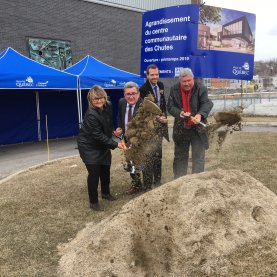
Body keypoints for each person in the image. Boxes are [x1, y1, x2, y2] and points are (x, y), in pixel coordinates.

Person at [77, 85, 124, 211]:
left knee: (105, 169)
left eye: (101, 98)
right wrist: (116, 144)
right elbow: (97, 135)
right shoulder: (91, 115)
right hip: (89, 146)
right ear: (90, 101)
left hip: (102, 144)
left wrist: (112, 131)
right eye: (95, 99)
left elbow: (108, 122)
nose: (99, 101)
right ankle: (93, 202)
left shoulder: (107, 106)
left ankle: (105, 193)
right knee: (94, 173)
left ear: (104, 97)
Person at [167, 67, 213, 178]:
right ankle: (179, 182)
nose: (187, 84)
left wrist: (200, 115)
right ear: (180, 81)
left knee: (198, 158)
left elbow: (207, 103)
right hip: (181, 129)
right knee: (180, 158)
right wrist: (180, 113)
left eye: (189, 81)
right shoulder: (174, 89)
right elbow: (170, 106)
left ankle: (196, 183)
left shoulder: (201, 88)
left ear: (193, 79)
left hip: (197, 129)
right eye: (184, 81)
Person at [139, 64, 169, 189]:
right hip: (149, 128)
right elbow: (144, 111)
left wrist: (165, 117)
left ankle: (157, 181)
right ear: (147, 75)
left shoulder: (161, 85)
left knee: (158, 155)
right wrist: (157, 118)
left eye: (156, 74)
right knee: (147, 156)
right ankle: (147, 184)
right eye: (152, 75)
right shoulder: (142, 90)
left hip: (160, 127)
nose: (155, 77)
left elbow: (162, 104)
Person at [114, 81, 143, 194]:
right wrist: (120, 130)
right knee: (131, 163)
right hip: (126, 140)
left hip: (140, 141)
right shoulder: (121, 102)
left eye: (133, 93)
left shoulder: (144, 105)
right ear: (124, 94)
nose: (131, 96)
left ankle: (147, 185)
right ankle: (136, 184)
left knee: (142, 164)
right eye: (128, 94)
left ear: (138, 94)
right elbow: (120, 118)